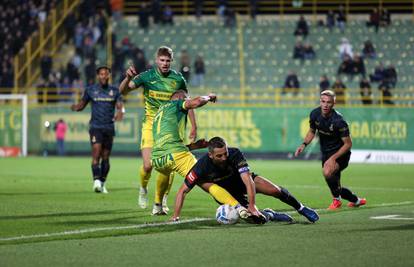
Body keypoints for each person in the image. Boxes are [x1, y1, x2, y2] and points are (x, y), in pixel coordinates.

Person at [119, 46, 198, 210]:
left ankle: (161, 201)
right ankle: (143, 188)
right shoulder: (147, 76)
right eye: (162, 60)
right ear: (157, 60)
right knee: (148, 165)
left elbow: (187, 102)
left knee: (169, 165)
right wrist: (127, 78)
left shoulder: (178, 79)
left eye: (168, 61)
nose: (165, 63)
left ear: (171, 61)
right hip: (150, 124)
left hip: (168, 127)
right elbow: (123, 92)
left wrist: (193, 126)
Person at [171, 136, 319, 223]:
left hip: (243, 183)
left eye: (225, 153)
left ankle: (301, 208)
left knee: (275, 190)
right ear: (210, 155)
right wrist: (175, 217)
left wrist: (252, 205)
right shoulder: (201, 166)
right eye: (219, 156)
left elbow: (248, 180)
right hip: (229, 194)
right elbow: (182, 191)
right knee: (257, 220)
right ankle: (270, 214)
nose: (224, 158)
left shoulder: (234, 154)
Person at [295, 90, 366, 210]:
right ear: (320, 101)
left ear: (334, 103)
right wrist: (304, 144)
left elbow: (348, 144)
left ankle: (336, 200)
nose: (325, 105)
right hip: (326, 153)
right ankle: (356, 200)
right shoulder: (314, 114)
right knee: (335, 185)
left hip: (341, 154)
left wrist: (333, 158)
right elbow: (312, 131)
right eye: (323, 101)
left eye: (329, 102)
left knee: (327, 172)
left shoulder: (339, 121)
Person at [71, 66, 124, 193]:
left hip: (109, 127)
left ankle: (102, 182)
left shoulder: (115, 91)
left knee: (105, 157)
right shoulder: (90, 90)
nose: (104, 76)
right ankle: (96, 181)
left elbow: (120, 106)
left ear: (109, 75)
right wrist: (74, 107)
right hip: (95, 127)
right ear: (98, 76)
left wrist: (120, 113)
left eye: (106, 74)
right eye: (101, 74)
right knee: (96, 152)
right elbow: (81, 105)